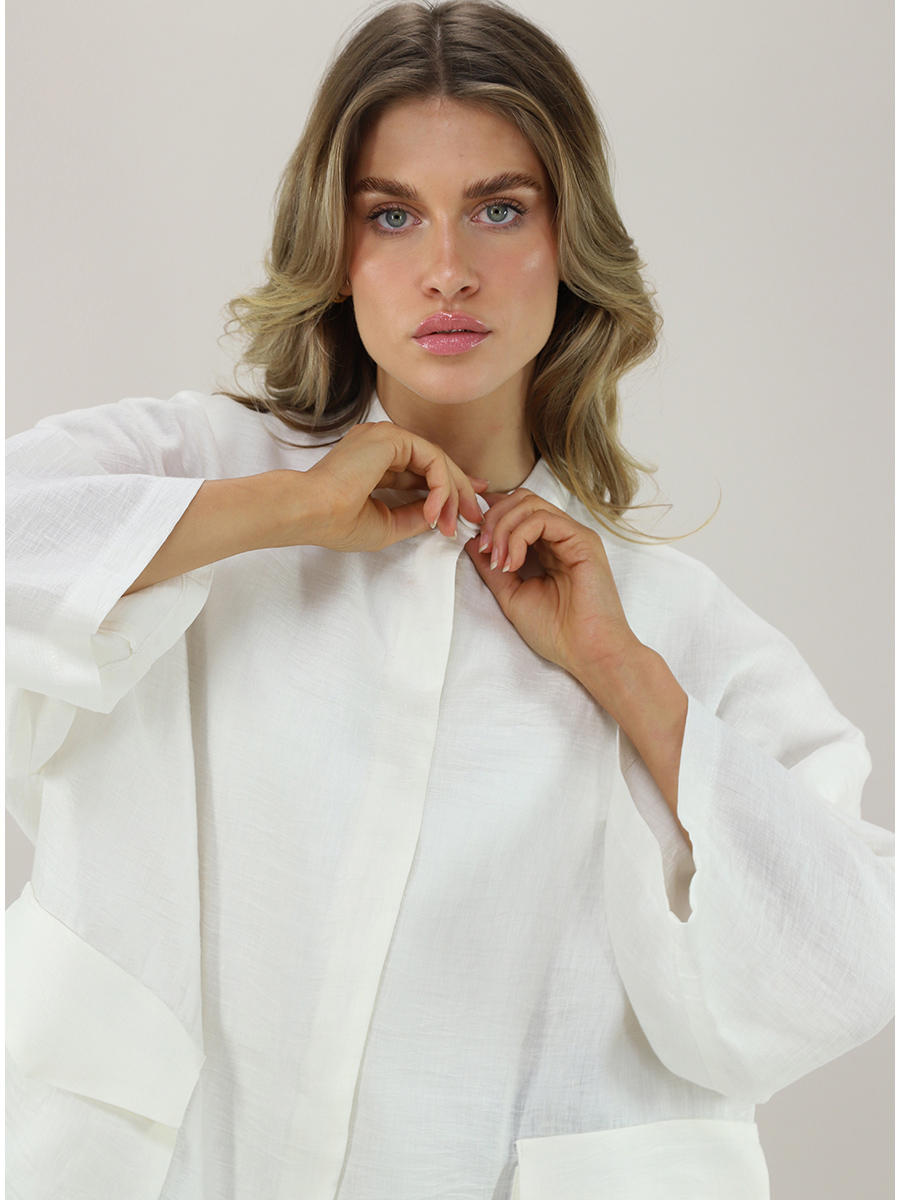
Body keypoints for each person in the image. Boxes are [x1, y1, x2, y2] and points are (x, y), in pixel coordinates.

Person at [5, 2, 892, 1198]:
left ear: (570, 236)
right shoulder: (193, 472)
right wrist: (289, 507)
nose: (448, 270)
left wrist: (622, 674)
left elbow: (841, 972)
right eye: (392, 214)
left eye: (499, 208)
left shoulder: (670, 626)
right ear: (336, 246)